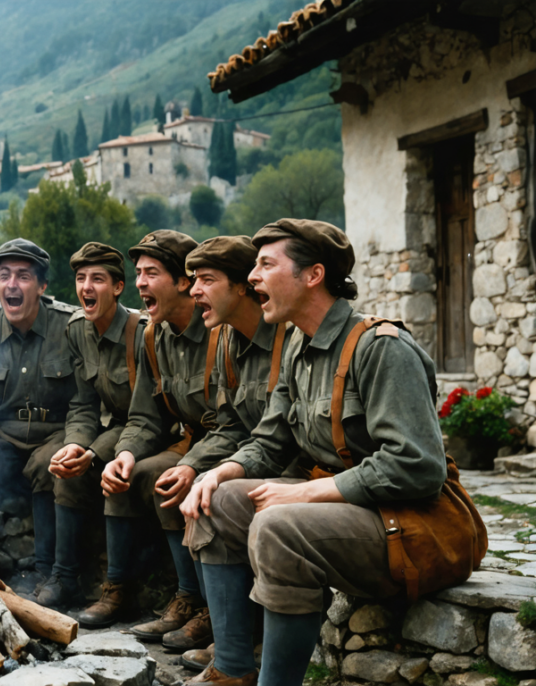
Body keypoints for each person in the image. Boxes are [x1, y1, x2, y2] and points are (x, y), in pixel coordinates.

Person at [179, 219, 449, 686]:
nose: (253, 278)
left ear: (313, 275)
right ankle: (233, 669)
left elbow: (419, 466)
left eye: (266, 265)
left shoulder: (380, 347)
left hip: (407, 522)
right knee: (214, 501)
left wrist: (309, 493)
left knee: (277, 524)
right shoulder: (298, 347)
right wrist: (218, 472)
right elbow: (270, 439)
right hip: (354, 511)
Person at [100, 230, 244, 654]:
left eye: (151, 273)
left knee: (167, 474)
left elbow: (235, 423)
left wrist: (192, 464)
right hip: (194, 441)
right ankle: (179, 596)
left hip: (230, 443)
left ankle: (210, 611)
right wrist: (123, 453)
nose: (140, 283)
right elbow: (145, 415)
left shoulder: (222, 333)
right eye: (138, 274)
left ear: (184, 281)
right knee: (133, 472)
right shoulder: (153, 336)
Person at [176, 234, 291, 671]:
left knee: (217, 500)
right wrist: (194, 466)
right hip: (260, 461)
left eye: (206, 280)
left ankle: (236, 654)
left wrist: (225, 474)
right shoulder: (227, 341)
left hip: (303, 472)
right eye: (192, 281)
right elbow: (232, 426)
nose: (194, 291)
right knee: (199, 492)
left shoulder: (287, 337)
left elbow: (287, 436)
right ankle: (232, 640)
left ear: (243, 286)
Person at [0, 238, 78, 593]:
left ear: (42, 286)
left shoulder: (70, 327)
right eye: (4, 276)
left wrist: (74, 443)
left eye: (23, 276)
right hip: (2, 436)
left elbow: (85, 403)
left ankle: (56, 574)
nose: (11, 285)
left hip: (56, 434)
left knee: (49, 464)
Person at [41, 242, 147, 618]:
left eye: (98, 279)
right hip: (115, 429)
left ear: (118, 288)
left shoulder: (142, 334)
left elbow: (146, 417)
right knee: (66, 470)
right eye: (81, 278)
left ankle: (119, 589)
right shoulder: (77, 331)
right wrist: (75, 445)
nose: (87, 287)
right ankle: (64, 577)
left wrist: (96, 453)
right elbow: (84, 404)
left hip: (149, 432)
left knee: (107, 471)